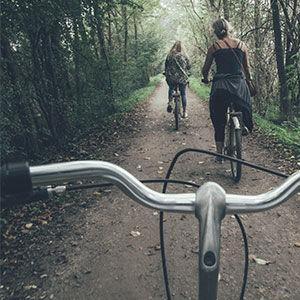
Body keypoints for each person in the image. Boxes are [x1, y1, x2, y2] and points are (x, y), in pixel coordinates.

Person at [202, 18, 253, 163]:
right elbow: (247, 68)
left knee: (218, 119)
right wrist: (248, 80)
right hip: (239, 85)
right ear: (229, 29)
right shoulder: (241, 45)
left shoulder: (214, 47)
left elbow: (205, 69)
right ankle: (243, 125)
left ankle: (219, 155)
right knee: (244, 106)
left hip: (221, 86)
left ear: (215, 31)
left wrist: (205, 78)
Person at [165, 41, 191, 118]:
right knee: (183, 94)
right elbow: (189, 66)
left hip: (172, 78)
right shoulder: (184, 56)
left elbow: (166, 66)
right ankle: (185, 111)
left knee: (171, 88)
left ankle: (170, 102)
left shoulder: (169, 55)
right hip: (182, 78)